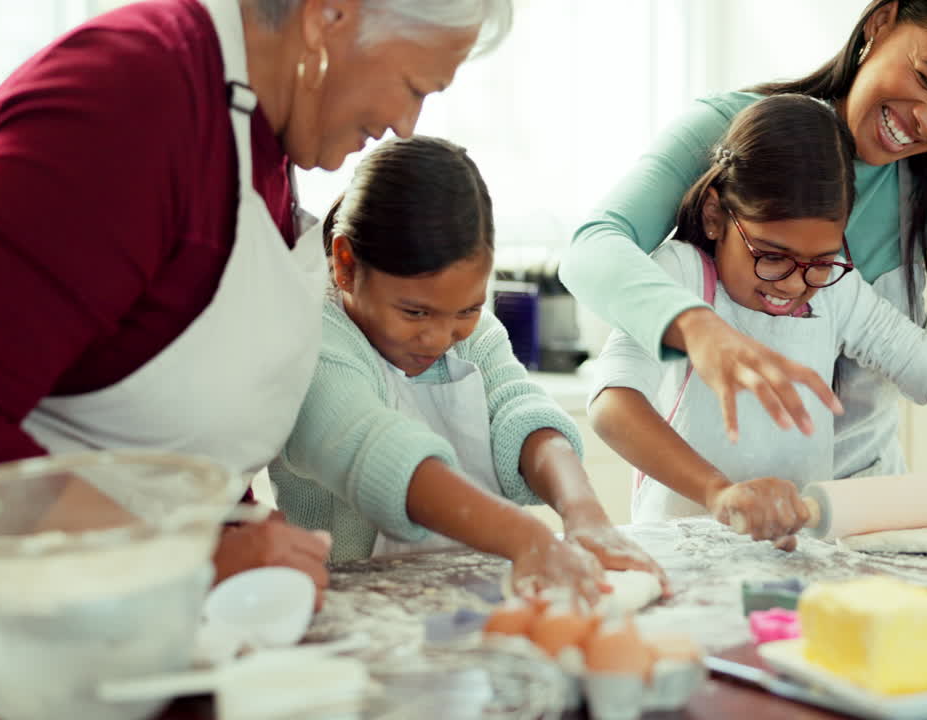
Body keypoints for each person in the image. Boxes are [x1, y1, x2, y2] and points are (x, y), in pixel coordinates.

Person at [0, 0, 512, 613]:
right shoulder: (129, 101)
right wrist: (194, 558)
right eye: (413, 86)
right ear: (330, 16)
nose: (406, 123)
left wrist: (239, 532)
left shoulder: (260, 135)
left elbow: (179, 417)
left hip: (104, 613)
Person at [561, 0, 927, 526]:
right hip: (713, 522)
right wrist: (698, 328)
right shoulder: (733, 142)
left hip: (859, 515)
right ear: (881, 22)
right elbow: (592, 247)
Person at [589, 95, 927, 549]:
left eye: (819, 260)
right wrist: (719, 494)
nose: (794, 284)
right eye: (771, 256)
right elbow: (611, 406)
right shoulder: (680, 276)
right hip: (680, 553)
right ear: (716, 216)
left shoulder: (836, 291)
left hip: (794, 555)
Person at [269, 135, 666, 603]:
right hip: (350, 610)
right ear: (346, 263)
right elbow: (376, 450)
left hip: (472, 600)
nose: (439, 339)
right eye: (414, 313)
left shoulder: (472, 333)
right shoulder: (310, 341)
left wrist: (584, 513)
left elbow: (521, 412)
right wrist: (529, 539)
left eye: (466, 310)